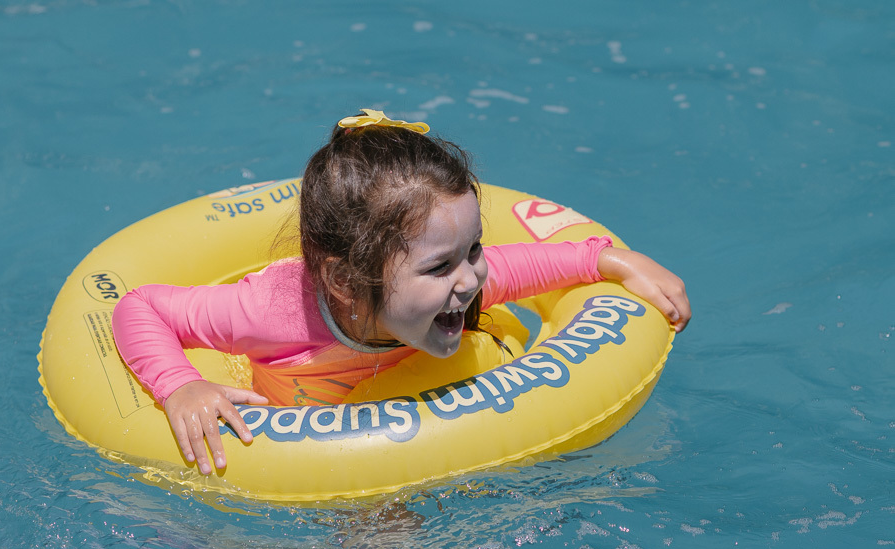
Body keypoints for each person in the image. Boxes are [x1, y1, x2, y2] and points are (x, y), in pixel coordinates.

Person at [112, 109, 691, 476]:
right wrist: (181, 387)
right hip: (306, 461)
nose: (469, 279)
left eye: (473, 250)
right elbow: (140, 307)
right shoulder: (272, 310)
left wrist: (609, 259)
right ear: (344, 281)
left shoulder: (460, 287)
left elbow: (535, 264)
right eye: (440, 266)